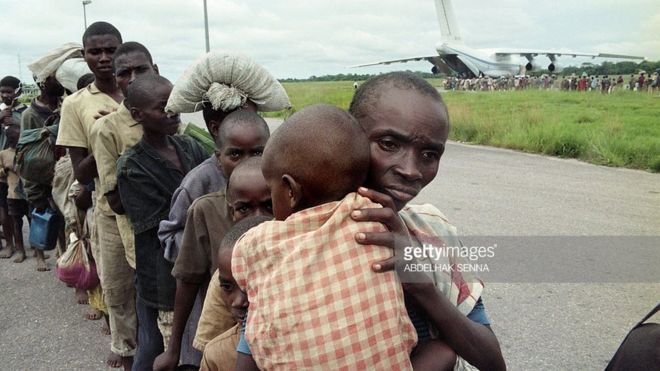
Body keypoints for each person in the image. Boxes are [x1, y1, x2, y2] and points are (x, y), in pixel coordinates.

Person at [232, 104, 418, 369]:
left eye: (271, 190)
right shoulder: (377, 216)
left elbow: (241, 271)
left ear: (290, 191)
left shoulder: (258, 242)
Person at [348, 71, 505, 370]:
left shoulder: (433, 231)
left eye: (430, 154)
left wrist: (423, 288)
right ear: (349, 135)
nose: (411, 170)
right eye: (389, 144)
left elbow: (492, 362)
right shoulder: (299, 235)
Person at [153, 113, 270, 371]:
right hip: (222, 331)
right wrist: (173, 349)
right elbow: (188, 278)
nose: (247, 163)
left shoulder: (288, 204)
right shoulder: (205, 211)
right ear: (219, 158)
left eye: (258, 152)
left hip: (275, 335)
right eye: (236, 154)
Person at [116, 74, 207, 371]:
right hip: (164, 274)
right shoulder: (132, 166)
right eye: (162, 107)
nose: (172, 112)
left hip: (198, 266)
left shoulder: (190, 147)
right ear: (137, 115)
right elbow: (161, 227)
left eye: (174, 104)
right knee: (170, 348)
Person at [55, 21, 127, 370]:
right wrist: (107, 132)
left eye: (110, 50)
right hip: (109, 208)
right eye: (94, 51)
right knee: (115, 284)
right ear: (84, 56)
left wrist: (131, 114)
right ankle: (124, 346)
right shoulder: (76, 104)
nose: (103, 58)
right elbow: (80, 173)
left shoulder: (140, 90)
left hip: (154, 203)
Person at [90, 41, 160, 371]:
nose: (132, 79)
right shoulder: (106, 128)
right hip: (135, 230)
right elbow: (113, 196)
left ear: (155, 69)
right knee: (125, 293)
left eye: (141, 70)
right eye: (124, 73)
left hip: (169, 231)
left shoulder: (172, 118)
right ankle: (129, 349)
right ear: (116, 80)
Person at [199, 215, 272, 371]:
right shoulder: (217, 355)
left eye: (249, 285)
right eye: (227, 287)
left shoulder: (305, 339)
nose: (239, 301)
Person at [0, 76, 26, 258]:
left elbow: (34, 133)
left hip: (21, 166)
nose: (4, 95)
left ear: (18, 91)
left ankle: (34, 245)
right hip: (2, 167)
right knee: (4, 207)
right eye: (1, 92)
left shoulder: (25, 112)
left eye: (8, 91)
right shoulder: (0, 113)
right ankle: (10, 244)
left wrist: (16, 124)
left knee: (27, 208)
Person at [0, 125, 33, 266]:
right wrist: (5, 169)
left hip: (29, 193)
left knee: (32, 220)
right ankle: (20, 250)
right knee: (16, 224)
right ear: (11, 140)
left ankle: (38, 249)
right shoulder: (3, 154)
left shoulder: (26, 151)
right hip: (13, 194)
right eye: (17, 137)